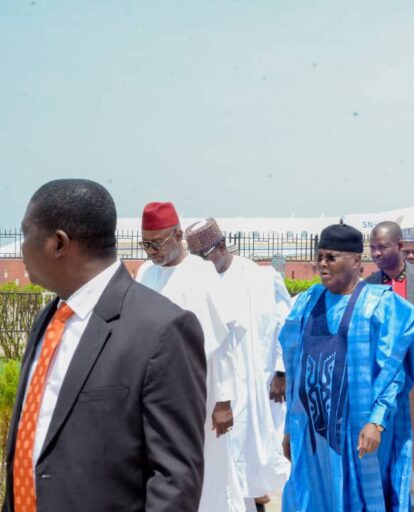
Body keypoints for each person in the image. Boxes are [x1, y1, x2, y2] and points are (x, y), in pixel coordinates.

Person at [3, 180, 206, 511]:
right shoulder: (48, 320)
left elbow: (175, 479)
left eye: (27, 235)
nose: (21, 248)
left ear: (58, 244)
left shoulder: (161, 330)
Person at [279, 222, 414, 511]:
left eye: (331, 257)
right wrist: (289, 428)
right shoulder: (308, 301)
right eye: (319, 256)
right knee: (311, 496)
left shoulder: (379, 304)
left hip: (358, 431)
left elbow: (392, 373)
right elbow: (294, 366)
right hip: (313, 436)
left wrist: (376, 420)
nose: (322, 264)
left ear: (355, 261)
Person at [135, 202, 238, 512]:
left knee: (206, 469)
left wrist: (223, 400)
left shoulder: (200, 273)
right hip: (155, 391)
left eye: (157, 243)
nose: (151, 251)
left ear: (178, 235)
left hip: (199, 391)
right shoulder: (145, 273)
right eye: (145, 244)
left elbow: (221, 342)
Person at [186, 218, 291, 512]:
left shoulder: (259, 278)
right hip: (215, 384)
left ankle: (252, 502)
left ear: (220, 246)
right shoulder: (197, 281)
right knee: (222, 453)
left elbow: (285, 326)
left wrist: (281, 372)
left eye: (204, 257)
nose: (201, 264)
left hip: (256, 379)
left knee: (250, 451)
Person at [366, 221, 414, 511]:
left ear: (398, 246)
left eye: (381, 247)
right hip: (383, 386)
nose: (375, 253)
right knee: (381, 459)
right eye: (372, 248)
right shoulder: (368, 286)